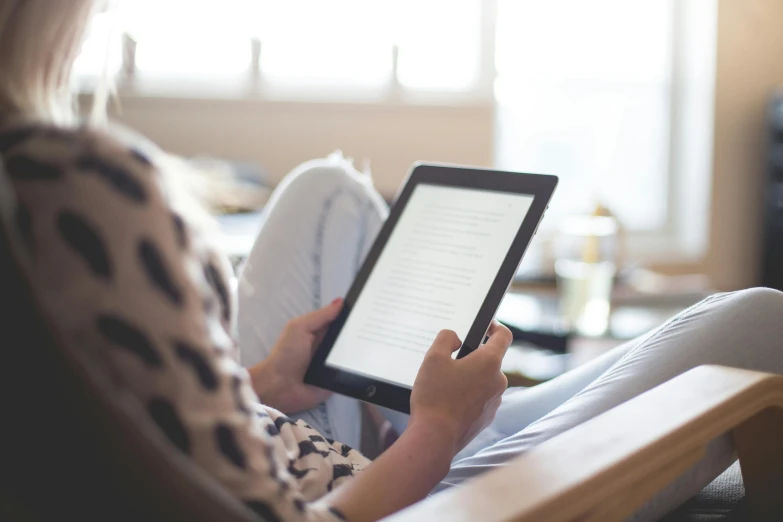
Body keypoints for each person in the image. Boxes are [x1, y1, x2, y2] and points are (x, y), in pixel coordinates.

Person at [1, 2, 782, 521]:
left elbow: (145, 419)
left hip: (292, 432)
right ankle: (450, 421)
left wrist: (271, 380)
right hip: (402, 497)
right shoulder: (71, 187)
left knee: (329, 190)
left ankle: (427, 410)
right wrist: (433, 435)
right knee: (759, 320)